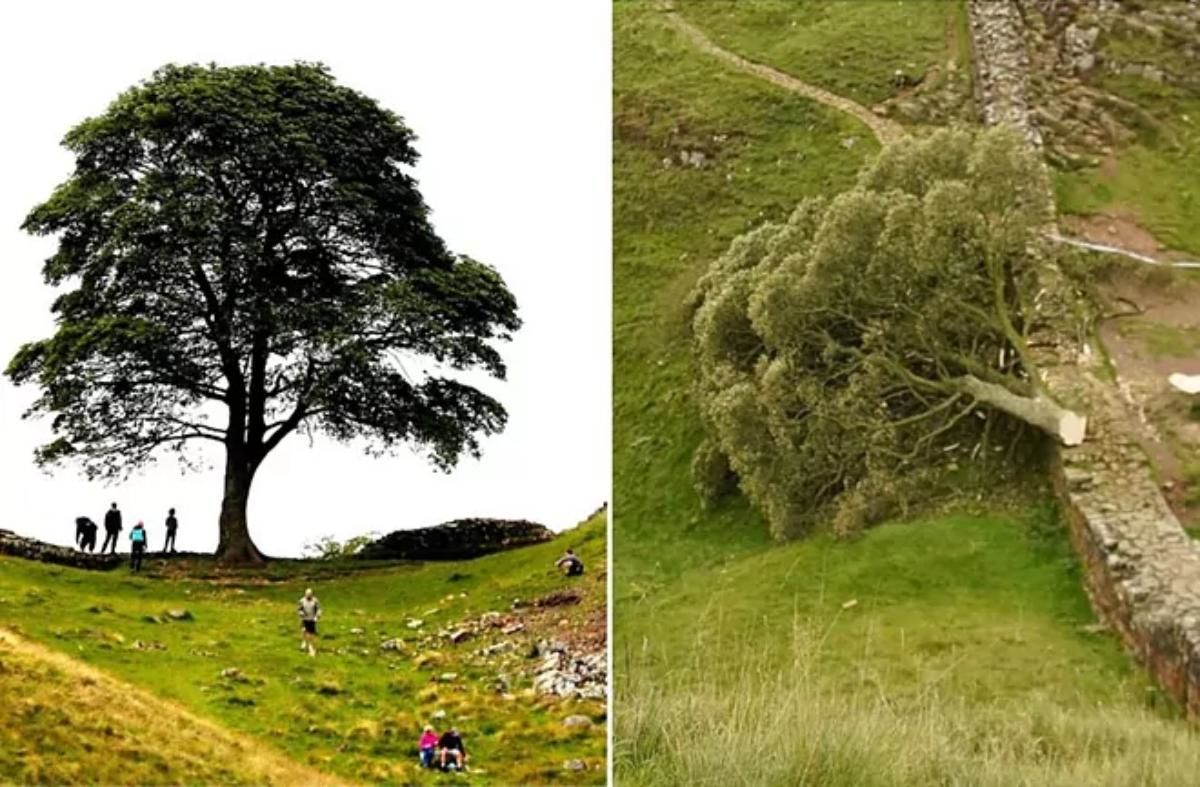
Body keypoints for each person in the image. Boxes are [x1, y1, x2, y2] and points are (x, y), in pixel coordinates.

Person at [297, 588, 321, 657]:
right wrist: (301, 613)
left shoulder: (315, 601)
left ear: (312, 594)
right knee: (304, 631)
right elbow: (299, 609)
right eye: (307, 595)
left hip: (312, 619)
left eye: (309, 595)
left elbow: (319, 609)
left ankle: (311, 646)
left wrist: (317, 616)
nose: (308, 596)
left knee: (311, 633)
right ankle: (304, 642)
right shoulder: (302, 601)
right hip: (304, 619)